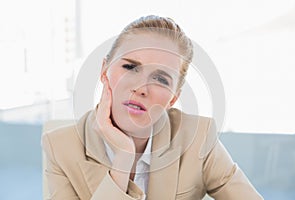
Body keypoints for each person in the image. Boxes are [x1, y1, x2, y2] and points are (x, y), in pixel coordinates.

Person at [42, 15, 263, 200]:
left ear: (173, 99)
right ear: (104, 70)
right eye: (130, 67)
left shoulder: (198, 138)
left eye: (161, 79)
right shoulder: (61, 147)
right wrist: (123, 160)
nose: (141, 88)